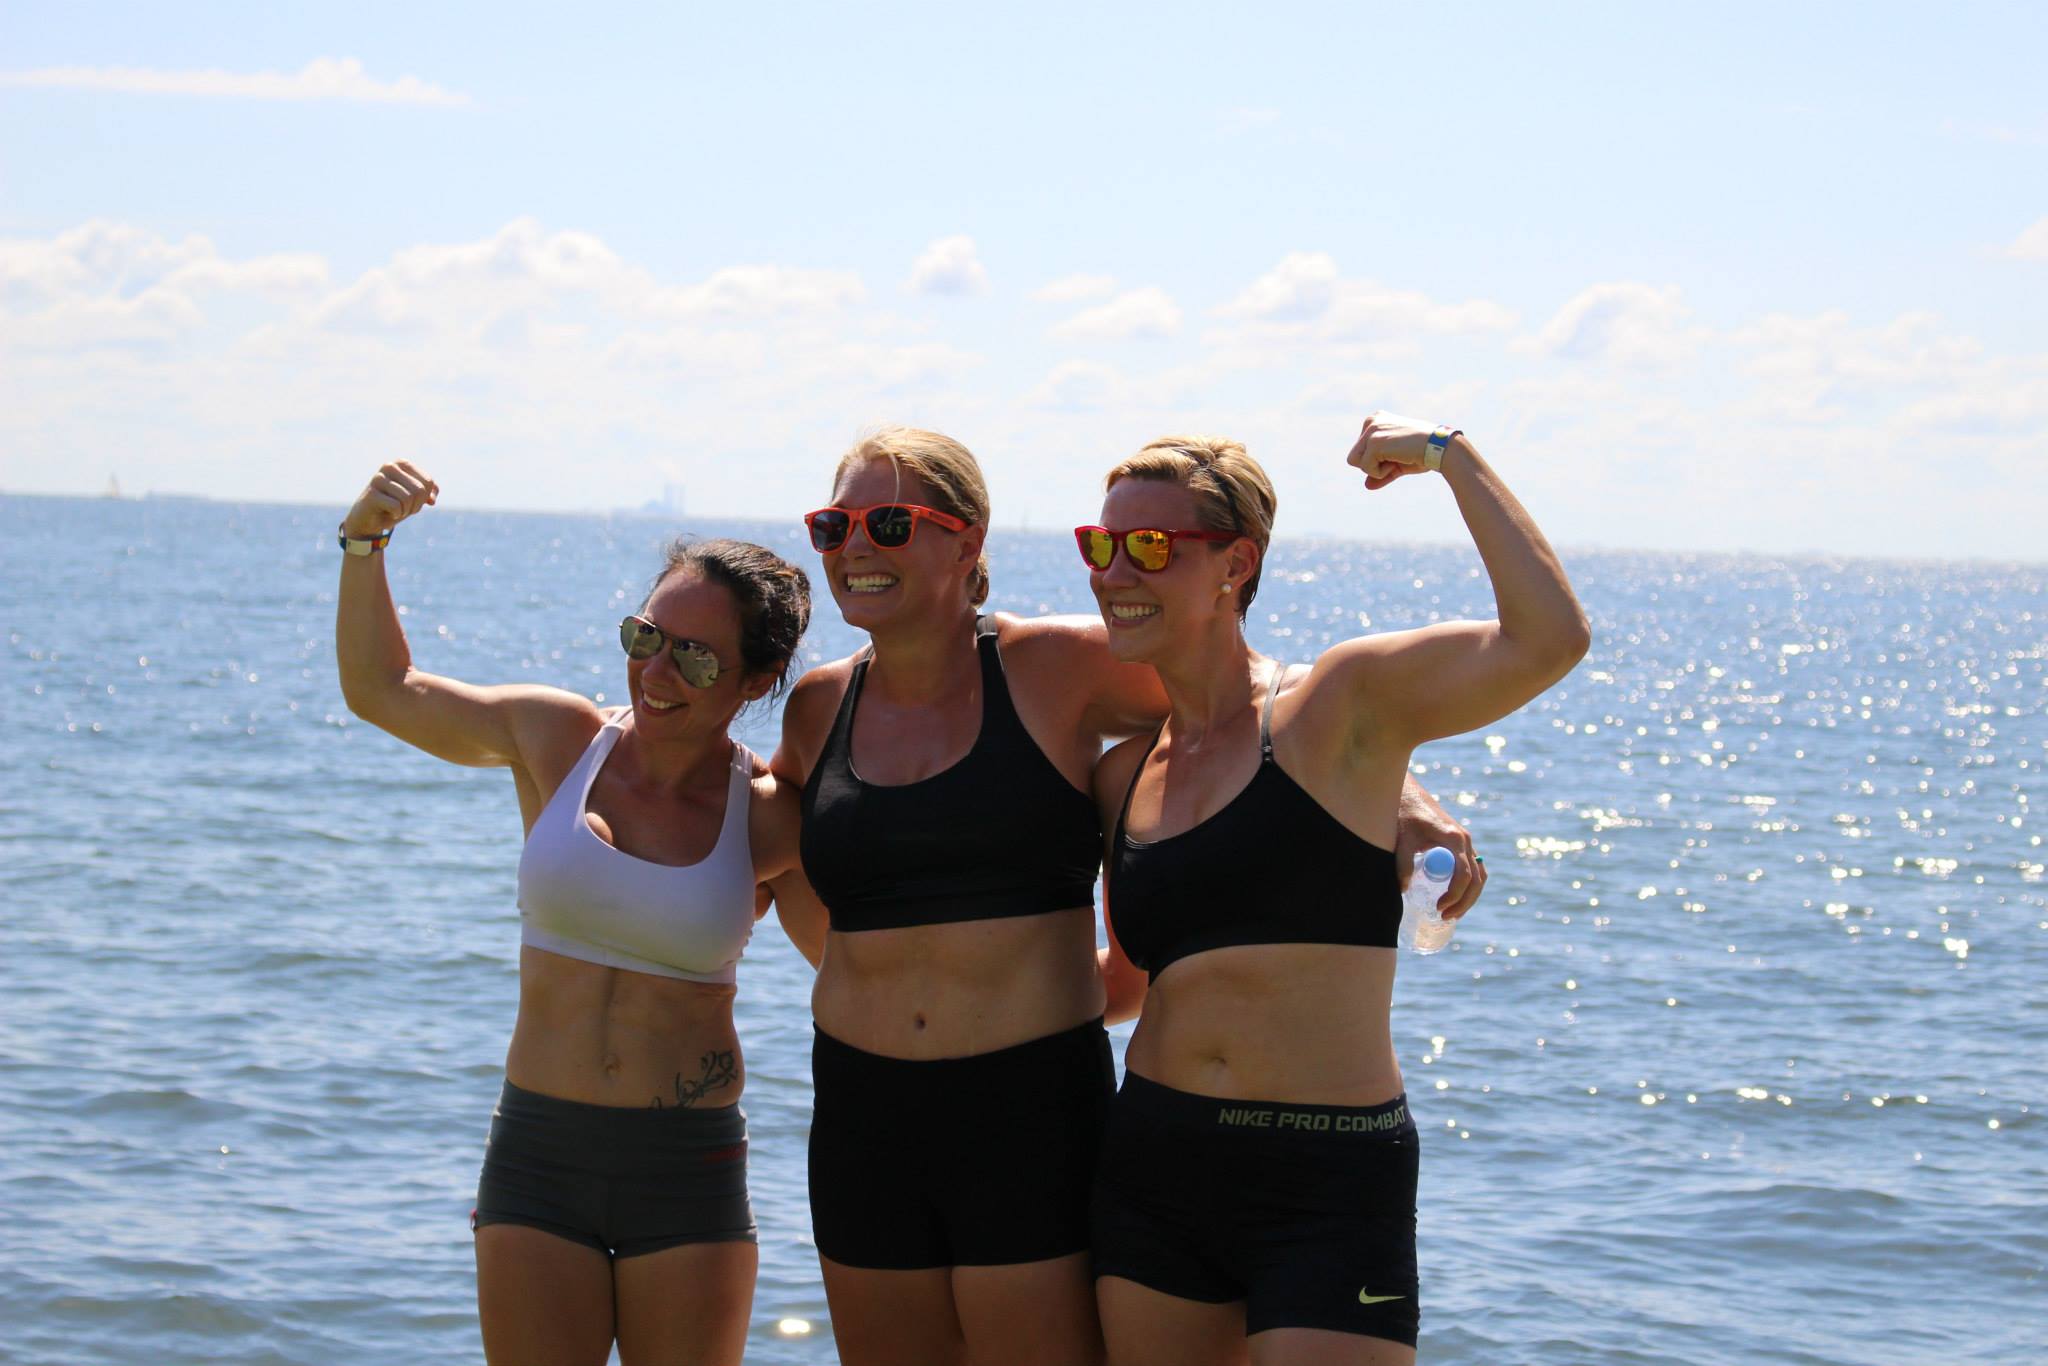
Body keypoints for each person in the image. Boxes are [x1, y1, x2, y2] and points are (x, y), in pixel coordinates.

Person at [768, 427, 1487, 1366]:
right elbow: (776, 847)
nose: (857, 545)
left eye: (890, 523)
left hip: (1029, 1109)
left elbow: (1262, 708)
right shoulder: (818, 708)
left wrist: (1409, 802)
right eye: (835, 526)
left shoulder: (1059, 665)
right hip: (859, 1112)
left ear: (967, 541)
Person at [1083, 419, 1588, 1365]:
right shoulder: (1121, 777)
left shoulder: (1336, 707)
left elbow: (1549, 639)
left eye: (1149, 546)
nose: (1114, 572)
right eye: (1100, 545)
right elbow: (1128, 982)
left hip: (1327, 1173)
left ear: (1236, 564)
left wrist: (1448, 455)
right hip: (1154, 1161)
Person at [333, 461, 813, 1366]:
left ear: (757, 680)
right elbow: (381, 689)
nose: (657, 671)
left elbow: (860, 960)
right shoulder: (556, 738)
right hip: (538, 1153)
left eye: (696, 656)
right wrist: (366, 541)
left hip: (688, 1167)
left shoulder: (771, 815)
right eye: (645, 636)